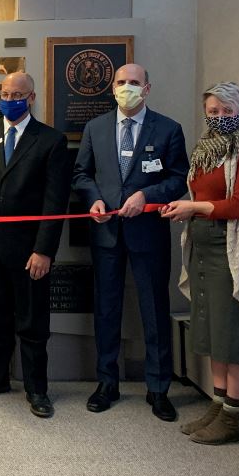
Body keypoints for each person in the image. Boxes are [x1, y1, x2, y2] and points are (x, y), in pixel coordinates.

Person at [73, 64, 190, 422]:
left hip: (148, 233)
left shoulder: (169, 129)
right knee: (107, 308)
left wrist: (146, 195)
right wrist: (93, 198)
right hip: (106, 232)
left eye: (134, 83)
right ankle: (107, 382)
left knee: (154, 309)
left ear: (147, 88)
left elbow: (179, 178)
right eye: (122, 82)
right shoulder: (94, 128)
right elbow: (81, 173)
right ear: (112, 88)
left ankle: (158, 388)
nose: (127, 88)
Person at [160, 82, 239, 445]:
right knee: (211, 329)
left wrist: (192, 208)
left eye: (227, 111)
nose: (220, 117)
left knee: (234, 330)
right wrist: (184, 208)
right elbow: (202, 194)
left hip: (232, 252)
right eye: (213, 111)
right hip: (204, 248)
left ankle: (233, 414)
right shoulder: (206, 150)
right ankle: (218, 403)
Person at [0, 72, 71, 418]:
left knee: (33, 322)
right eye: (5, 93)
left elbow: (55, 203)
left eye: (17, 94)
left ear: (32, 97)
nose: (10, 99)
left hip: (30, 253)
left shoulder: (51, 141)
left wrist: (44, 250)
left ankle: (37, 389)